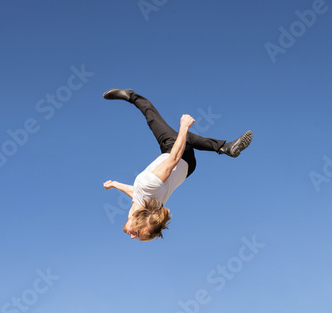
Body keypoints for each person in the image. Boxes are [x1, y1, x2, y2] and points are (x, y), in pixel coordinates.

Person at [102, 88, 253, 241]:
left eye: (136, 236)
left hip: (188, 168)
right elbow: (173, 159)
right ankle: (131, 96)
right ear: (139, 221)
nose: (133, 237)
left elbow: (136, 193)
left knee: (184, 138)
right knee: (152, 116)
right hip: (177, 155)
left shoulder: (147, 205)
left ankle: (224, 147)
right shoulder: (147, 184)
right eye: (138, 233)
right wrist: (183, 126)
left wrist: (115, 184)